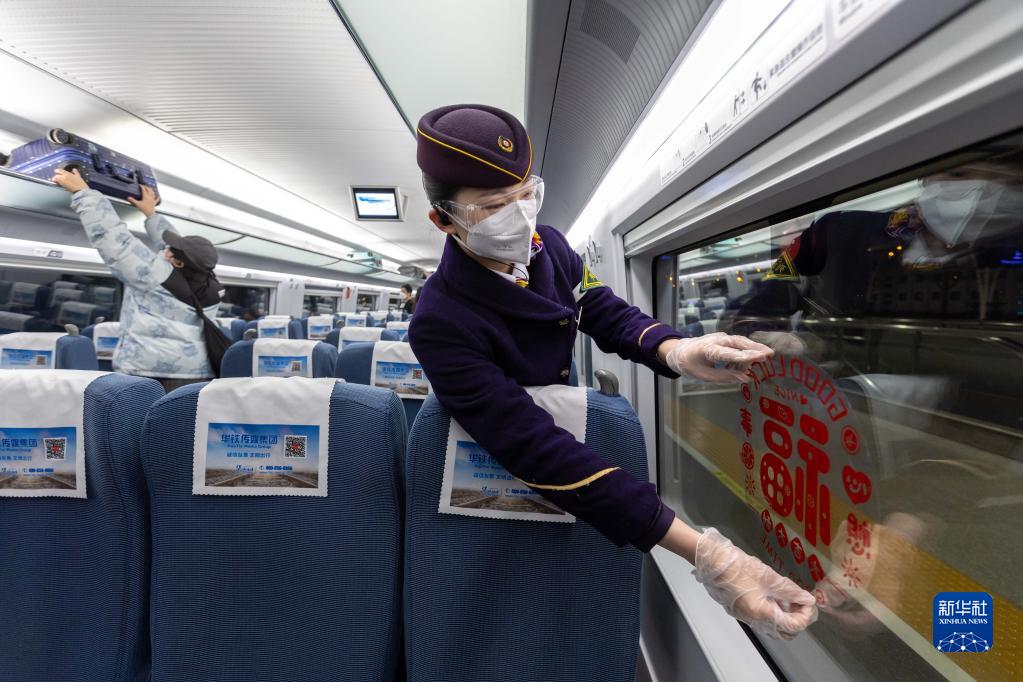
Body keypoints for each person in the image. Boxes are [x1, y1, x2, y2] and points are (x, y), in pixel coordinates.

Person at [408, 104, 817, 640]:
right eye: (493, 207)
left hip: (558, 442)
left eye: (525, 195)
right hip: (495, 473)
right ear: (443, 219)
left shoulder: (550, 247)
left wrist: (676, 349)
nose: (519, 216)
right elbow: (532, 445)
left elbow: (601, 309)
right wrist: (707, 554)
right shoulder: (439, 321)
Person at [52, 169, 222, 392]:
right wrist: (151, 214)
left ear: (178, 263)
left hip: (150, 373)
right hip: (198, 373)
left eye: (170, 252)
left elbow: (114, 240)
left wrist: (83, 193)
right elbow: (174, 247)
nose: (165, 251)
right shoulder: (210, 283)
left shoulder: (154, 276)